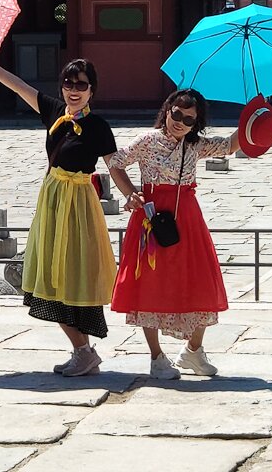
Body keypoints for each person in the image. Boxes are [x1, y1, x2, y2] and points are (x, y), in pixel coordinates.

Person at [0, 48, 117, 377]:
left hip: (79, 206)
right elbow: (17, 85)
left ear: (92, 90)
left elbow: (114, 166)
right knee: (49, 275)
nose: (74, 90)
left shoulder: (98, 126)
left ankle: (84, 351)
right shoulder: (54, 111)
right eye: (68, 83)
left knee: (75, 273)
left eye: (81, 84)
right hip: (51, 203)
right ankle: (82, 351)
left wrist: (133, 194)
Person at [108, 88, 239, 380]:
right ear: (167, 111)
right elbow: (115, 162)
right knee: (149, 284)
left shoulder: (196, 146)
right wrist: (130, 193)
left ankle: (193, 351)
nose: (180, 122)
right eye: (176, 114)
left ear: (196, 123)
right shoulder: (147, 140)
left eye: (188, 119)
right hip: (151, 218)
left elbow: (230, 145)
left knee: (200, 279)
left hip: (187, 219)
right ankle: (156, 357)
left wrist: (255, 113)